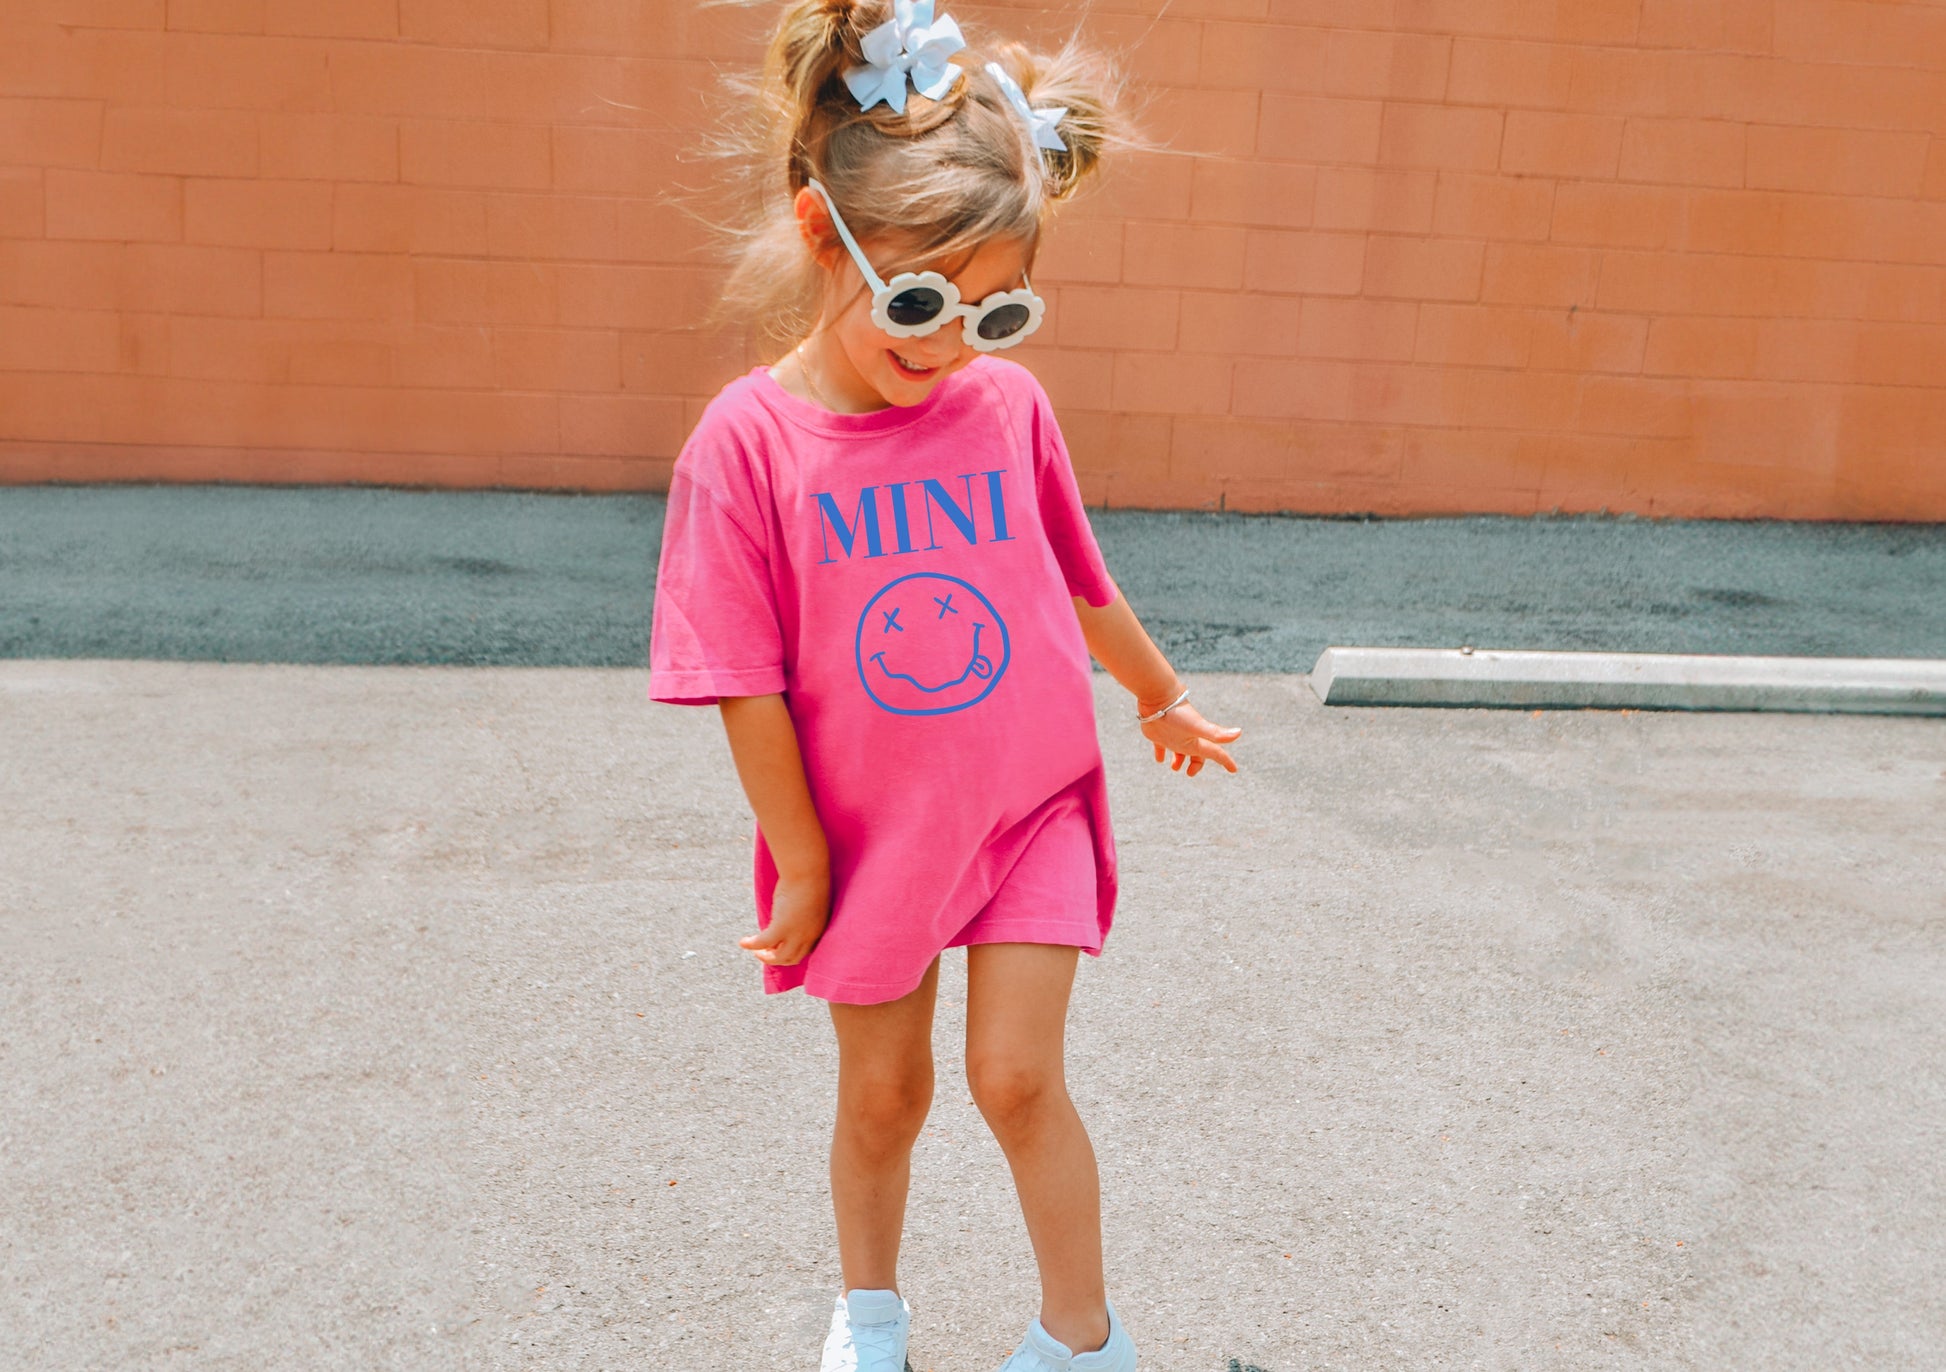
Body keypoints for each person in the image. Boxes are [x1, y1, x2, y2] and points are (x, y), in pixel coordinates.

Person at [648, 2, 1242, 1367]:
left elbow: (1080, 579)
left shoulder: (1005, 408)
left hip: (1032, 805)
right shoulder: (745, 447)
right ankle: (870, 1316)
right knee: (884, 1095)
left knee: (1017, 1079)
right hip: (870, 839)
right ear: (823, 234)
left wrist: (1157, 695)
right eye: (919, 301)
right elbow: (742, 682)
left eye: (997, 312)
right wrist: (802, 862)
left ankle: (1082, 1341)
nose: (950, 342)